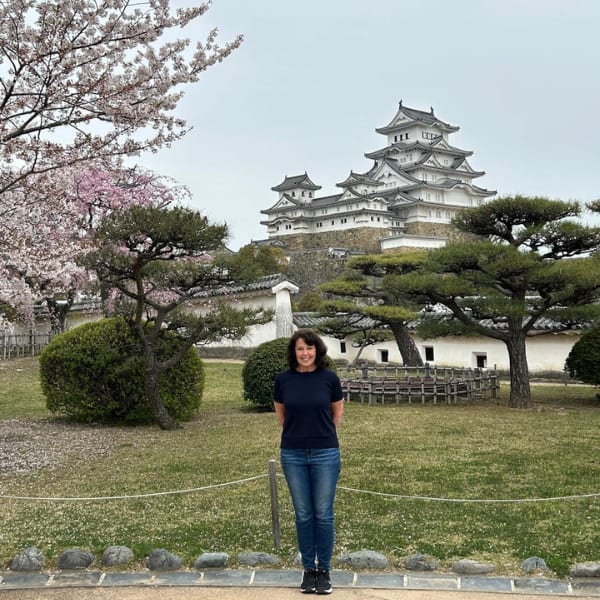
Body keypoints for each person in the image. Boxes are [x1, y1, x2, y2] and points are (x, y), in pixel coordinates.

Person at [274, 329, 344, 595]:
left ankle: (323, 570)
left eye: (309, 348)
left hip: (325, 451)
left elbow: (336, 411)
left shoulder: (329, 379)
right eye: (300, 348)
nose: (305, 353)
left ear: (318, 351)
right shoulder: (283, 380)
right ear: (294, 352)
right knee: (303, 515)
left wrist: (321, 433)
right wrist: (299, 434)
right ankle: (308, 570)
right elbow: (281, 414)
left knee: (323, 514)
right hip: (292, 453)